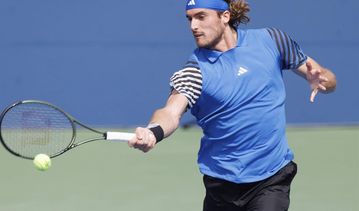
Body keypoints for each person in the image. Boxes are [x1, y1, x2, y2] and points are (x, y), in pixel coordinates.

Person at [128, 0, 337, 210]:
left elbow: (328, 80)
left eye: (201, 16)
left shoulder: (272, 40)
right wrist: (153, 132)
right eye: (190, 19)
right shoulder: (194, 71)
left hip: (271, 177)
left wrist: (324, 81)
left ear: (225, 16)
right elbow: (170, 113)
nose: (193, 26)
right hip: (221, 185)